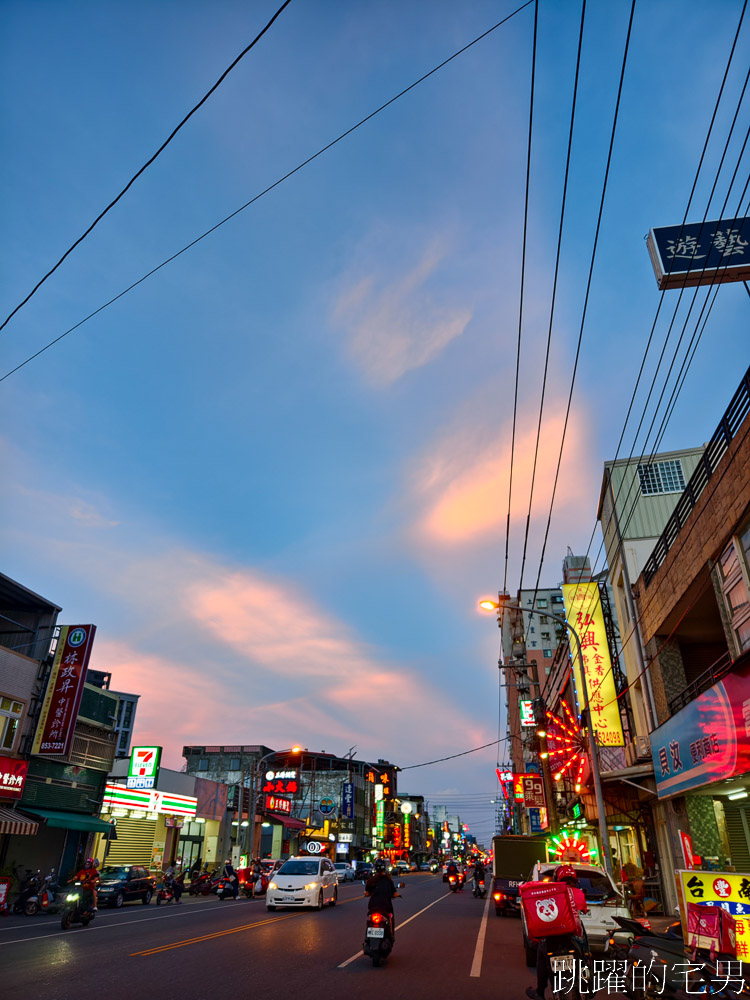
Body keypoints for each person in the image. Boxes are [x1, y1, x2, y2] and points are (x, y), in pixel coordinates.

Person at [526, 865, 588, 1000]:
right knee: (585, 954)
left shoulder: (553, 892)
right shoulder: (579, 893)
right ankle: (587, 983)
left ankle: (540, 992)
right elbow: (583, 908)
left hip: (552, 938)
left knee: (541, 957)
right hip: (572, 938)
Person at [365, 859, 400, 938]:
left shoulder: (371, 880)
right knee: (391, 917)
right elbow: (394, 893)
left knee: (369, 921)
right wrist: (397, 895)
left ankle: (367, 937)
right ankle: (391, 935)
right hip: (385, 907)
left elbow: (367, 893)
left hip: (372, 906)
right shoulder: (388, 880)